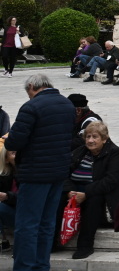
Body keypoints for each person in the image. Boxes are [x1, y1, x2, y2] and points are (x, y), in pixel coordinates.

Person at [6, 74, 74, 271]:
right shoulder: (66, 104)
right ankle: (41, 265)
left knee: (27, 225)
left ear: (32, 87)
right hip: (58, 172)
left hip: (35, 173)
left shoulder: (31, 107)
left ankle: (24, 267)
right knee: (46, 223)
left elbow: (15, 141)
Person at [62, 121, 119, 259]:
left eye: (95, 137)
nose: (90, 140)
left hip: (99, 197)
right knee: (57, 195)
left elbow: (111, 181)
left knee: (94, 199)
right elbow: (64, 173)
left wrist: (86, 193)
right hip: (75, 193)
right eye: (88, 136)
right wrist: (69, 191)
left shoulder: (114, 153)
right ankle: (54, 242)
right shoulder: (80, 152)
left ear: (104, 138)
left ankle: (85, 246)